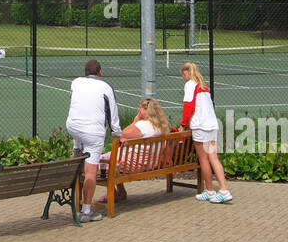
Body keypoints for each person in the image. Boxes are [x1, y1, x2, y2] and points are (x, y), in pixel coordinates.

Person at [65, 59, 121, 223]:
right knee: (90, 172)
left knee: (78, 136)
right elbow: (113, 115)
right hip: (93, 133)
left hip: (73, 127)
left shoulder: (75, 83)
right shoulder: (106, 87)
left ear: (85, 72)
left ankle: (77, 149)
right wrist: (117, 133)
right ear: (100, 72)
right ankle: (87, 210)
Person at [96, 97, 170, 204]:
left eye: (140, 108)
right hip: (151, 162)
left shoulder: (142, 125)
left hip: (136, 164)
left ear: (146, 110)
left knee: (102, 160)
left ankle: (115, 193)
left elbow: (122, 133)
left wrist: (135, 121)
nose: (138, 110)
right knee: (109, 157)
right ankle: (121, 191)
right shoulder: (161, 126)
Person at [179, 62, 231, 203]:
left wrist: (183, 124)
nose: (183, 78)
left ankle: (211, 190)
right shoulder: (203, 86)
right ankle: (223, 189)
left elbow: (188, 107)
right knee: (213, 157)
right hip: (212, 125)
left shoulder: (190, 84)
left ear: (186, 72)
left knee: (204, 159)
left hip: (201, 126)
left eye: (183, 75)